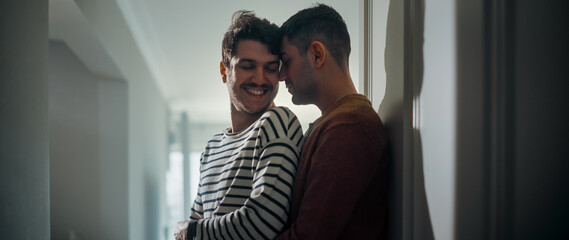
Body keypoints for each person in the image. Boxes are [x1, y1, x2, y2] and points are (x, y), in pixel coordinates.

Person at [174, 10, 304, 240]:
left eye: (271, 67)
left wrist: (193, 231)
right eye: (248, 65)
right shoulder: (211, 148)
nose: (260, 78)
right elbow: (194, 223)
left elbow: (263, 222)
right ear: (224, 71)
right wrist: (192, 230)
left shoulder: (278, 123)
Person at [276, 4, 389, 239]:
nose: (280, 75)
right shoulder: (338, 122)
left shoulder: (348, 127)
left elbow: (308, 236)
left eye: (286, 62)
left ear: (317, 55)